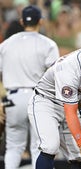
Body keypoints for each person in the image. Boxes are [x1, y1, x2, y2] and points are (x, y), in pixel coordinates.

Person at [28, 43, 81, 169]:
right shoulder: (69, 71)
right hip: (46, 102)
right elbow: (70, 113)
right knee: (50, 147)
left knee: (80, 156)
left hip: (68, 102)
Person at [0, 5, 60, 169]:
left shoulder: (6, 44)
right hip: (38, 98)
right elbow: (56, 75)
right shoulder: (48, 44)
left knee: (13, 147)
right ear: (40, 21)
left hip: (11, 98)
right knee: (38, 147)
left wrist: (1, 100)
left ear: (21, 21)